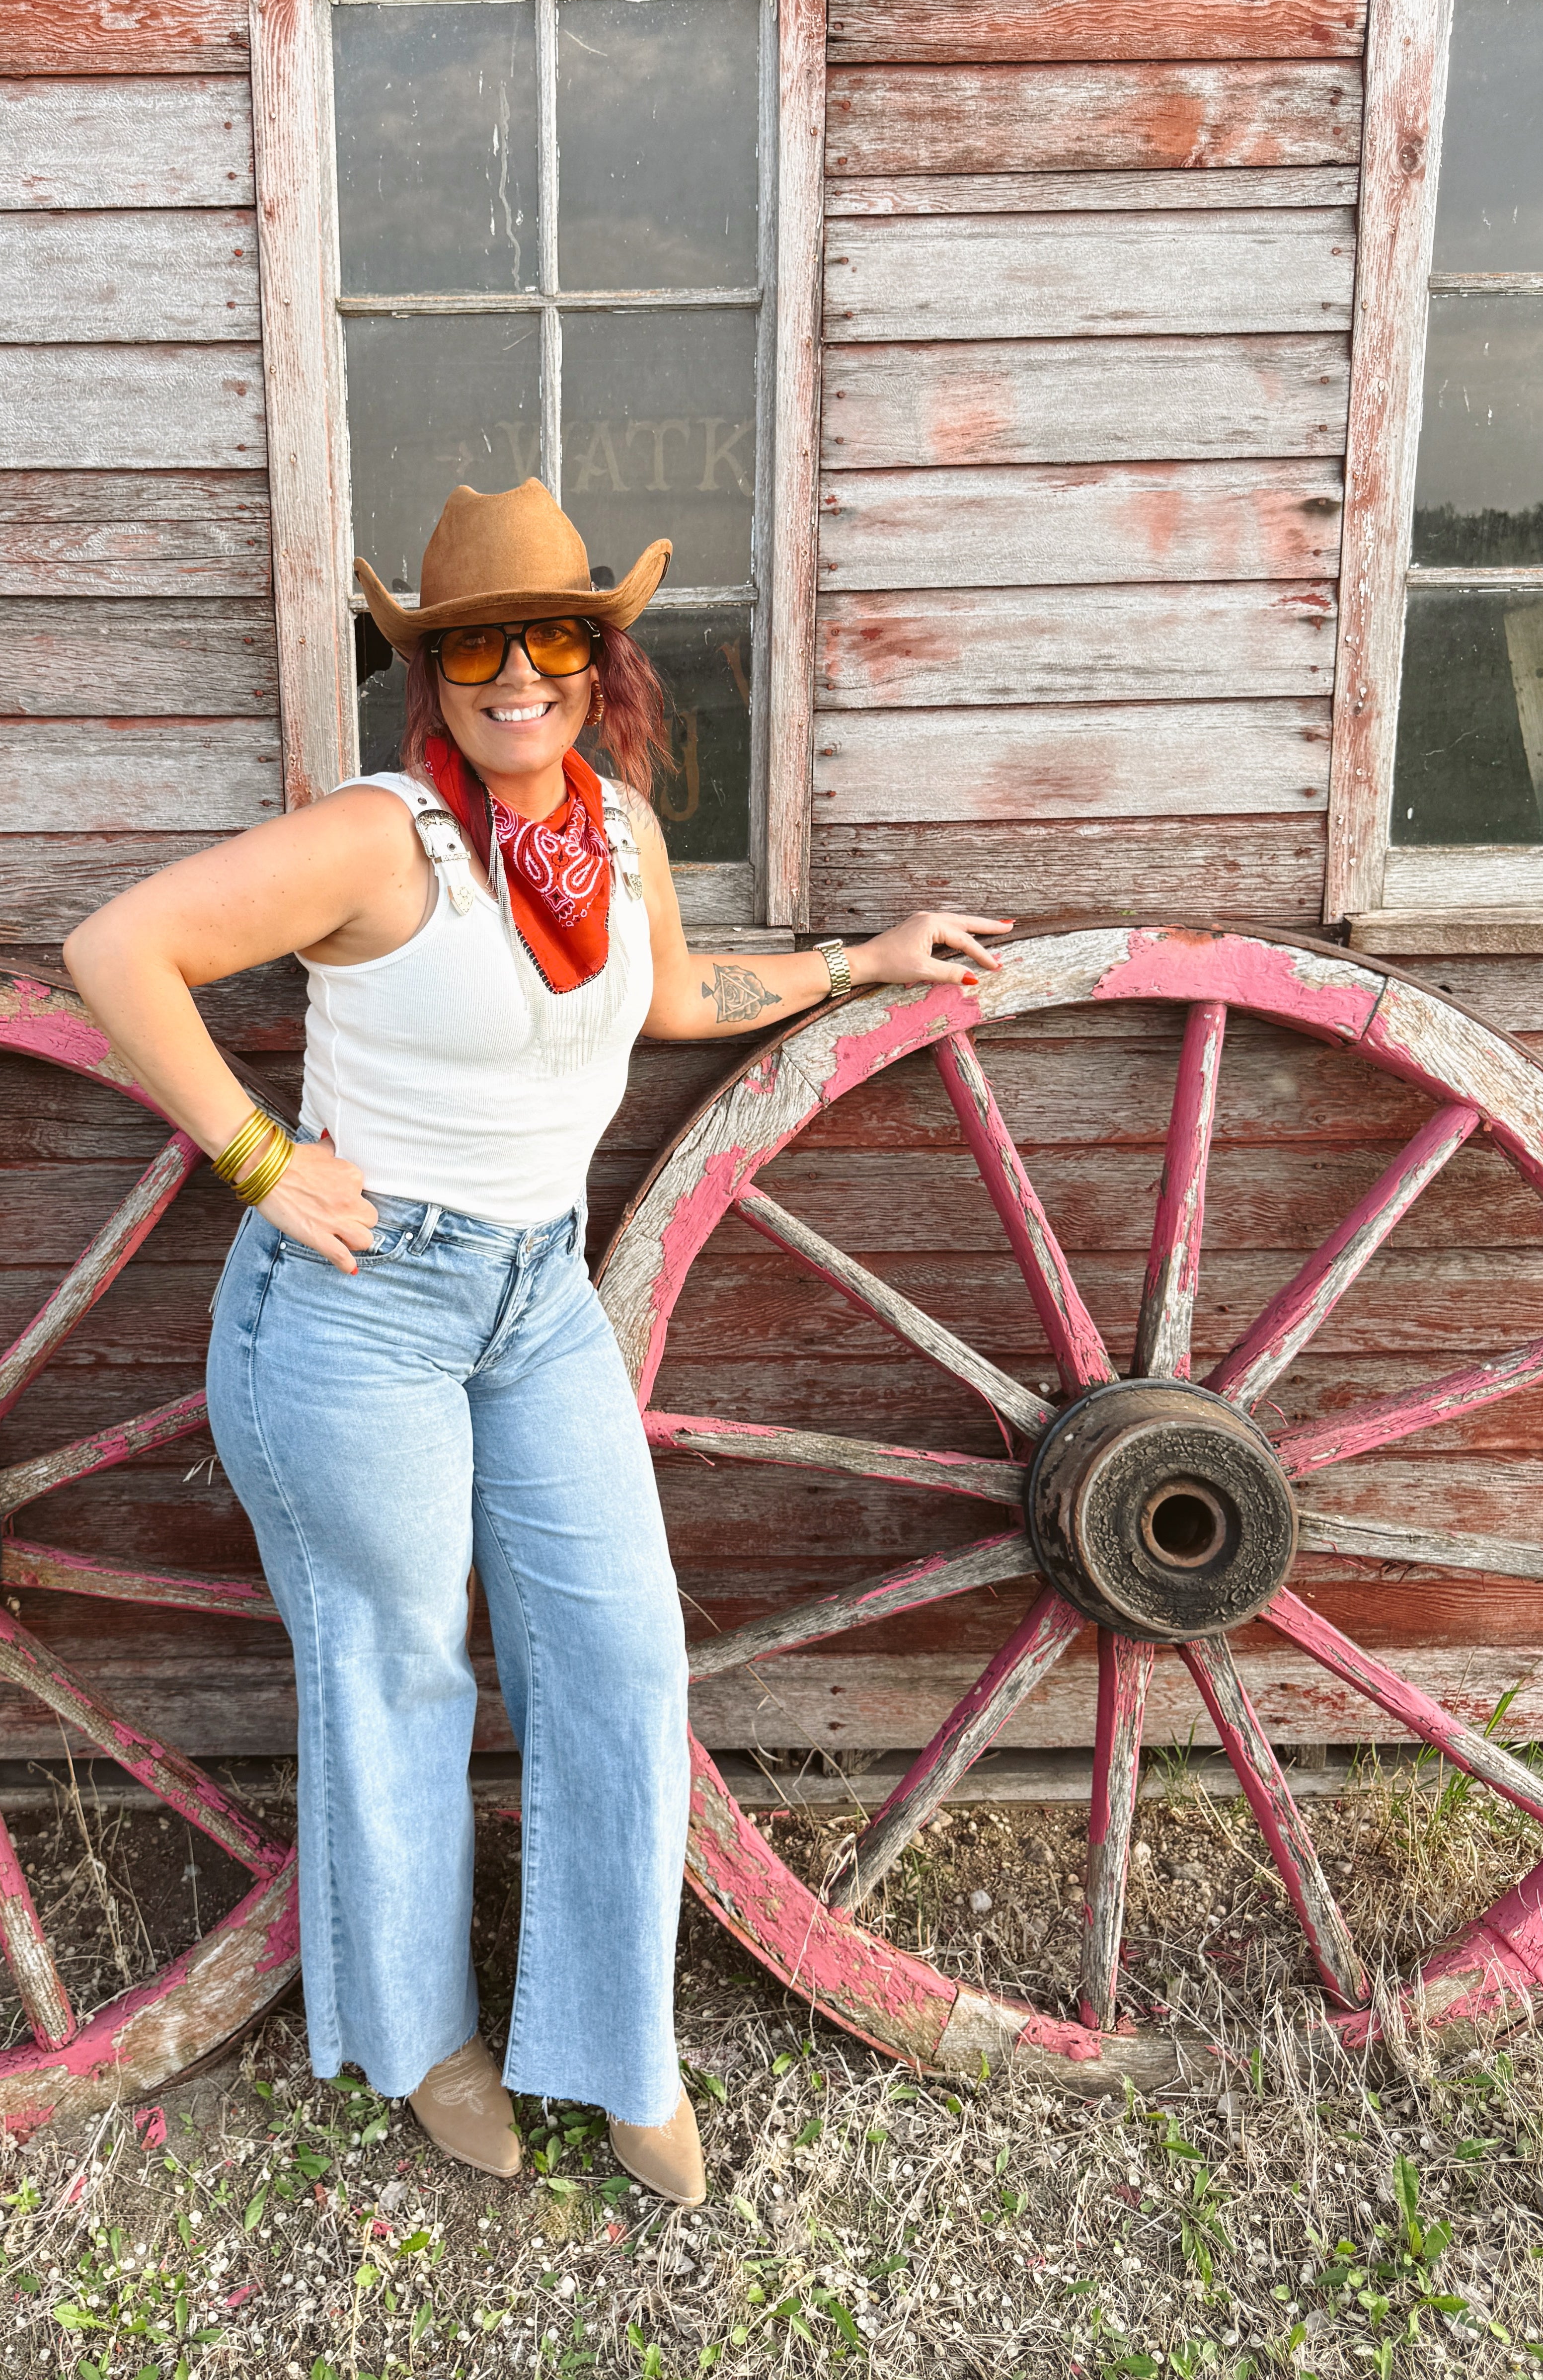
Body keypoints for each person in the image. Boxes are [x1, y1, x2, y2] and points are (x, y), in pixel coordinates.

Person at [63, 478, 1009, 2205]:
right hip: (365, 1315)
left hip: (539, 1301)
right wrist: (260, 1160)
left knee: (622, 1660)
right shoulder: (375, 837)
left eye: (553, 640)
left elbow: (660, 998)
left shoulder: (610, 830)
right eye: (477, 646)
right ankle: (426, 2040)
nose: (519, 676)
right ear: (430, 671)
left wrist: (854, 962)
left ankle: (612, 2048)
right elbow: (117, 949)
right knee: (402, 1672)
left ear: (598, 659)